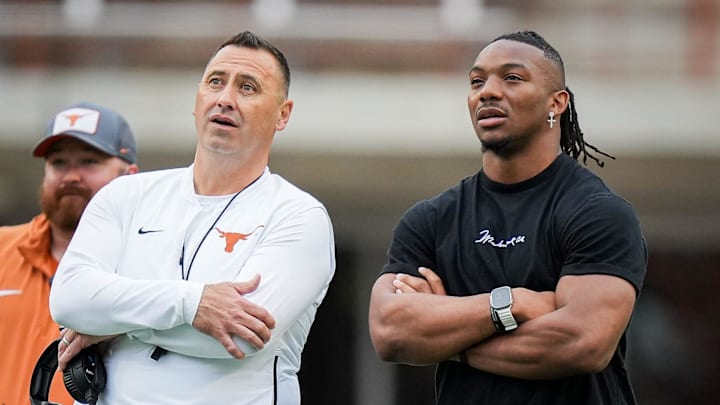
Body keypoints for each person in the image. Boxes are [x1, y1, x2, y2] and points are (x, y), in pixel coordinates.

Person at [49, 31, 336, 404]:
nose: (225, 99)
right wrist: (191, 303)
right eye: (215, 82)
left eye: (247, 88)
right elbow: (70, 300)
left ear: (283, 114)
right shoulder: (125, 194)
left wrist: (114, 323)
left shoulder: (299, 215)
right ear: (197, 99)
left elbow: (239, 336)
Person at [369, 30, 647, 404]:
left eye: (512, 78)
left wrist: (450, 342)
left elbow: (583, 342)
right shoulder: (431, 220)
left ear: (557, 103)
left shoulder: (597, 212)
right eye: (477, 81)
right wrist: (511, 303)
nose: (488, 91)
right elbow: (390, 331)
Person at [0, 102, 138, 405]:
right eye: (59, 162)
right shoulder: (2, 250)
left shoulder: (151, 263)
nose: (71, 176)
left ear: (130, 176)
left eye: (89, 161)